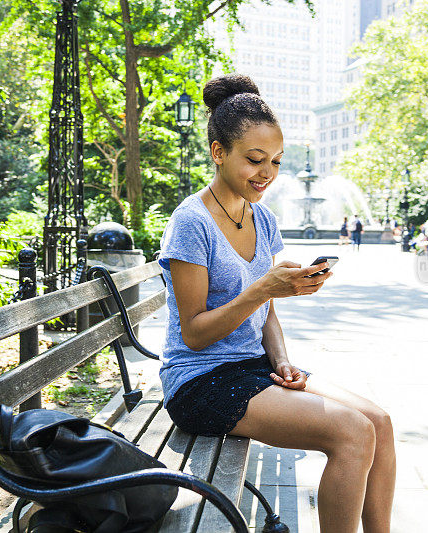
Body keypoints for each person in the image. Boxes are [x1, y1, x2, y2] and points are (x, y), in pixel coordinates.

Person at [157, 74, 395, 533]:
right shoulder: (190, 222)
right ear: (218, 152)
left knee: (379, 423)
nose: (267, 172)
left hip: (254, 366)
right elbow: (194, 333)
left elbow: (267, 314)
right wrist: (262, 289)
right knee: (352, 432)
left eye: (276, 161)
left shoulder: (261, 216)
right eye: (254, 159)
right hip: (199, 381)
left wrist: (283, 360)